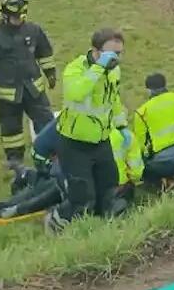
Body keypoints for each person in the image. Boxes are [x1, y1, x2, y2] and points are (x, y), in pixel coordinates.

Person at [0, 117, 142, 224]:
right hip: (89, 186)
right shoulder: (126, 138)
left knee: (45, 190)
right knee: (45, 188)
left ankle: (3, 207)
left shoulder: (86, 136)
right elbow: (136, 173)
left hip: (82, 186)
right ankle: (6, 206)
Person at [47, 28, 130, 229]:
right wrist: (98, 69)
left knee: (109, 191)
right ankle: (56, 220)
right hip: (75, 144)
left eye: (119, 53)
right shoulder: (75, 69)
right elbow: (76, 93)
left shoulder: (114, 71)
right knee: (83, 199)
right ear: (95, 51)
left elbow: (113, 99)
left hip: (101, 141)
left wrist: (121, 126)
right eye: (111, 54)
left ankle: (104, 232)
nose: (116, 59)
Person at [0, 0, 57, 171]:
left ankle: (53, 153)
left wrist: (50, 72)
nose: (18, 20)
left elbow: (44, 52)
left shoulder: (34, 31)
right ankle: (14, 159)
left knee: (45, 121)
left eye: (21, 16)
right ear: (5, 16)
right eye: (15, 17)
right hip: (7, 95)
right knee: (11, 128)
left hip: (33, 89)